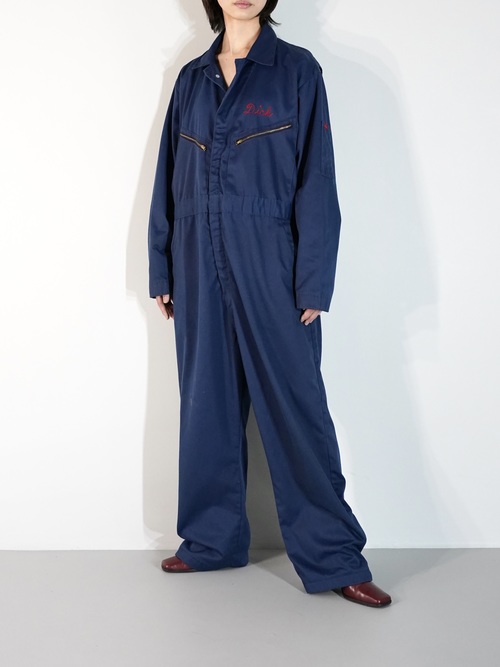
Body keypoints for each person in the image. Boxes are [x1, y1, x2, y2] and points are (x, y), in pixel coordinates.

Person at [148, 0, 391, 608]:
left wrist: (313, 282)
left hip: (272, 264)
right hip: (197, 260)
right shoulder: (191, 78)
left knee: (296, 410)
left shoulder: (297, 71)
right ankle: (211, 540)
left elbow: (317, 179)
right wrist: (162, 266)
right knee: (206, 405)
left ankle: (334, 557)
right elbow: (167, 177)